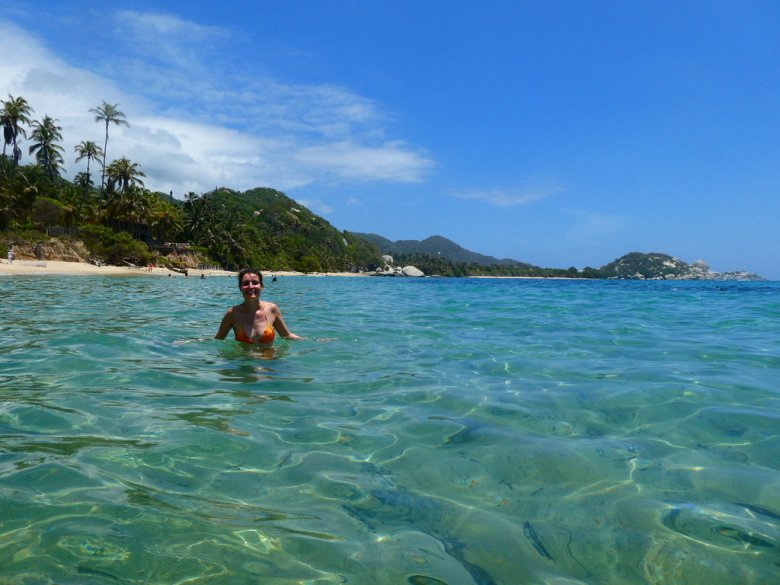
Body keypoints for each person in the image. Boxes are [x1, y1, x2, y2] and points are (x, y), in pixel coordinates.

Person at [215, 268, 302, 343]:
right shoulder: (232, 313)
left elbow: (287, 335)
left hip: (269, 361)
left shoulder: (272, 309)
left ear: (261, 286)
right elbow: (217, 341)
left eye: (255, 282)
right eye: (245, 283)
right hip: (244, 361)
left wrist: (309, 343)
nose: (250, 286)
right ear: (240, 288)